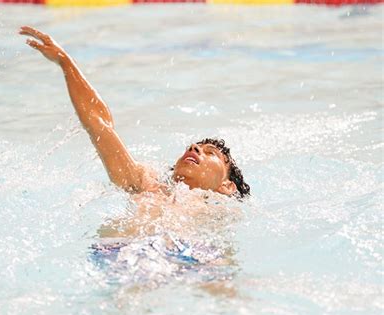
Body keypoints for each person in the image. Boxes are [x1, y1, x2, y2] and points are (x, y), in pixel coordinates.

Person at [19, 26, 250, 200]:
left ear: (227, 186)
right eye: (196, 146)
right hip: (123, 255)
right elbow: (100, 125)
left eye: (211, 153)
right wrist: (65, 62)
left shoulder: (220, 217)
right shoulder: (145, 182)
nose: (194, 148)